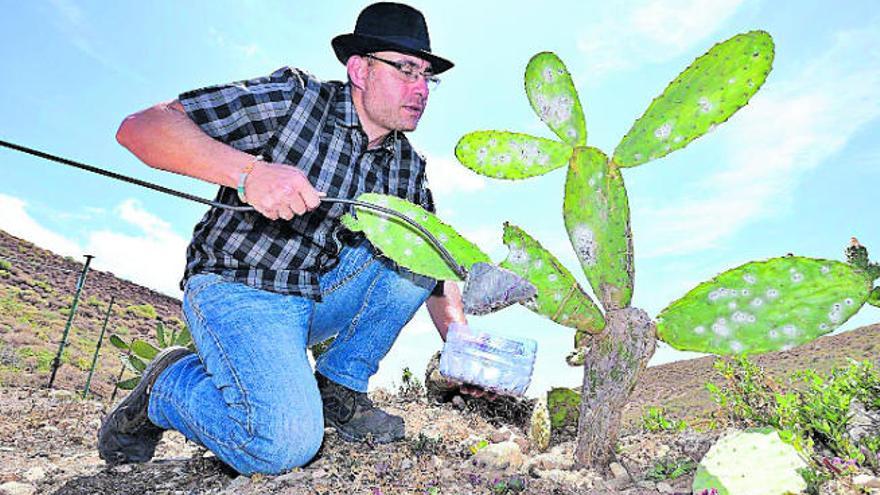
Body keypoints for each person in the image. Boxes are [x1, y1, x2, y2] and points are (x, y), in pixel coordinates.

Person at [98, 2, 468, 475]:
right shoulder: (295, 100)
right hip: (239, 288)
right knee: (282, 446)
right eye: (407, 69)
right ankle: (169, 384)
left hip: (316, 297)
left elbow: (435, 263)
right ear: (359, 69)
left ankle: (340, 385)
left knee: (418, 245)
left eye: (427, 77)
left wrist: (460, 346)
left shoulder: (407, 166)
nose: (421, 88)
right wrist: (250, 173)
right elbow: (142, 129)